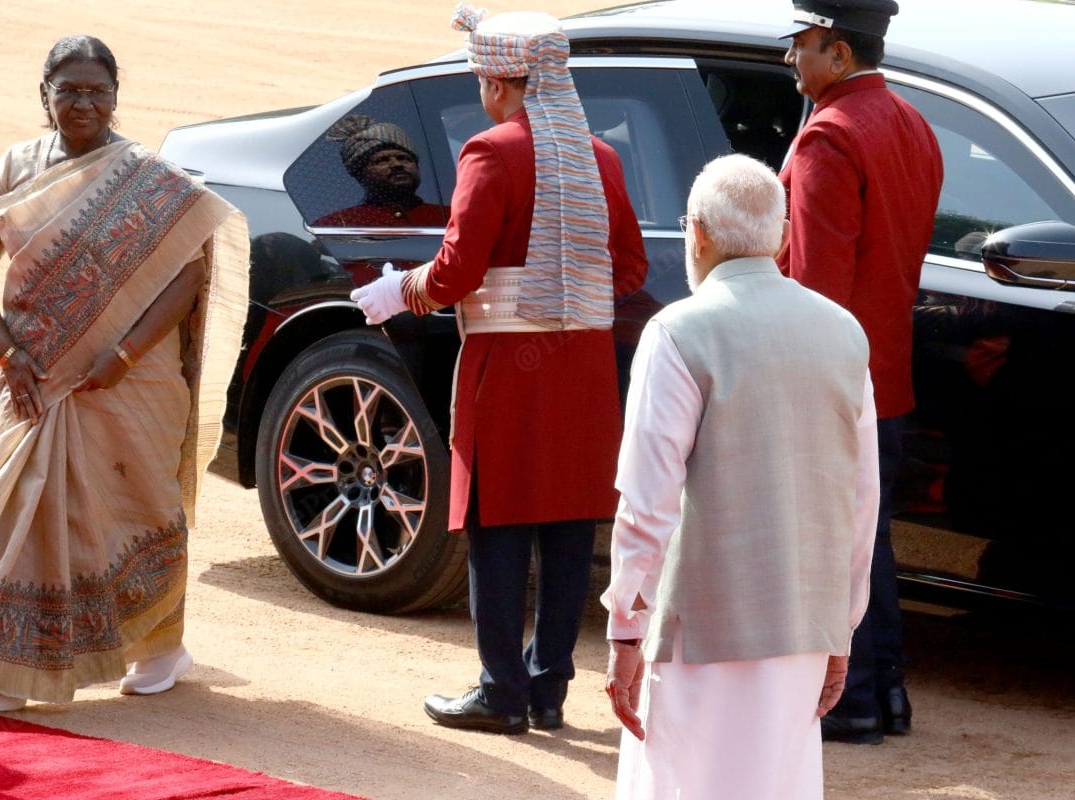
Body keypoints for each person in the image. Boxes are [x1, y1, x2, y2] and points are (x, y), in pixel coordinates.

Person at [0, 35, 249, 713]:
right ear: (44, 95)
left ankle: (160, 646)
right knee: (17, 510)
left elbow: (189, 276)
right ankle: (3, 669)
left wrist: (119, 358)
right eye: (69, 89)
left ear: (117, 97)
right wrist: (6, 351)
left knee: (131, 515)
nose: (83, 102)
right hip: (36, 378)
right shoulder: (16, 167)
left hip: (131, 382)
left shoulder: (148, 178)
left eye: (97, 91)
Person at [352, 4, 646, 734]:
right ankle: (549, 688)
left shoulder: (490, 151)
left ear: (501, 83)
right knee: (570, 529)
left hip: (509, 367)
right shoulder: (601, 158)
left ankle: (501, 690)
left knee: (499, 524)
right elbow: (631, 266)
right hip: (581, 369)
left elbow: (454, 276)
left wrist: (401, 291)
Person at [602, 153, 879, 799]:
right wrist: (841, 623)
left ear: (696, 233)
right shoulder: (843, 331)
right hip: (804, 618)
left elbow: (647, 500)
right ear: (783, 237)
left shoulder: (678, 330)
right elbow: (861, 497)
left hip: (700, 625)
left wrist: (624, 625)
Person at [777, 0, 944, 744]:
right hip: (888, 373)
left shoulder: (829, 136)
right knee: (867, 539)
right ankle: (886, 693)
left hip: (835, 379)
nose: (790, 59)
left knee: (837, 544)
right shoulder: (911, 122)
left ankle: (853, 701)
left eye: (801, 44)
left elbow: (814, 287)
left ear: (839, 53)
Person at [312, 115, 448, 227]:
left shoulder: (452, 217)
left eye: (403, 158)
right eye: (382, 160)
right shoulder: (338, 224)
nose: (396, 165)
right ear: (360, 174)